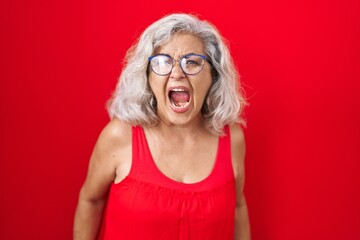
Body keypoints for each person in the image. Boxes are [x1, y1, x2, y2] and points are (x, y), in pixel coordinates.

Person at [73, 13, 250, 240]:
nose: (176, 73)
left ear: (213, 76)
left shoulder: (232, 138)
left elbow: (238, 207)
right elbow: (91, 199)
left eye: (192, 62)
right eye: (162, 62)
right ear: (147, 77)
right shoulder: (119, 135)